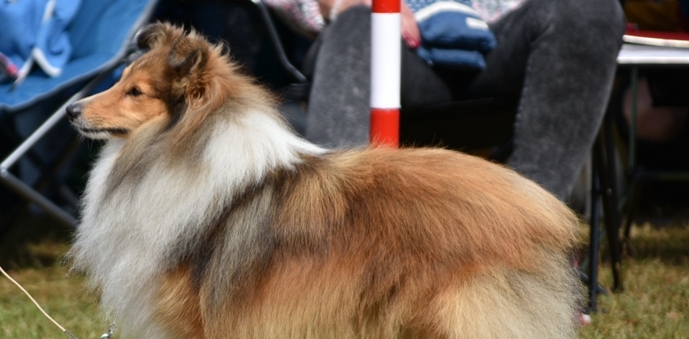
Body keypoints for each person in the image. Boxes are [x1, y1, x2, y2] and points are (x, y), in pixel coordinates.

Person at [265, 0, 626, 203]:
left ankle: (527, 245)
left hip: (501, 41)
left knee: (590, 9)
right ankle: (335, 255)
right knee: (362, 22)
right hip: (384, 46)